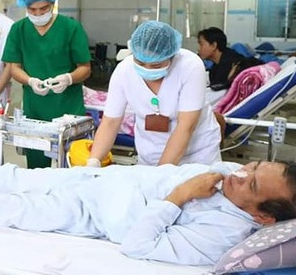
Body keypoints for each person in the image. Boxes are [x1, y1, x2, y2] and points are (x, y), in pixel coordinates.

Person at [0, 150, 296, 266]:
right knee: (12, 176)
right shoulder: (228, 174)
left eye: (252, 181)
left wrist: (180, 196)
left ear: (263, 218)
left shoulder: (219, 237)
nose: (240, 172)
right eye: (253, 164)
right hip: (101, 179)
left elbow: (138, 245)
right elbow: (225, 170)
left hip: (91, 216)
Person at [88, 21, 221, 167]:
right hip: (150, 152)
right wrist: (94, 161)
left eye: (156, 65)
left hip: (197, 154)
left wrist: (160, 174)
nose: (147, 69)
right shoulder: (124, 71)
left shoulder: (189, 66)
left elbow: (186, 126)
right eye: (140, 63)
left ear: (171, 56)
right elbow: (110, 122)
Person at [2, 0, 91, 168]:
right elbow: (13, 67)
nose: (38, 14)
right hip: (35, 111)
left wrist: (68, 78)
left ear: (52, 4)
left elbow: (85, 67)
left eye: (43, 9)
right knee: (36, 169)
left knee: (71, 167)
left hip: (68, 109)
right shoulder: (19, 30)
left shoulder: (70, 28)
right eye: (32, 10)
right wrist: (30, 80)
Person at [198, 27, 262, 91]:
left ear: (213, 46)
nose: (199, 49)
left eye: (201, 44)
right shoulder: (216, 66)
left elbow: (217, 92)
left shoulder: (229, 64)